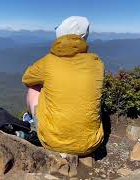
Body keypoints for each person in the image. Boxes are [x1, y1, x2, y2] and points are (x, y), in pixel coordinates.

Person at [22, 16, 104, 156]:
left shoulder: (48, 62)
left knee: (34, 87)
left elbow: (27, 79)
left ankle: (31, 120)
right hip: (91, 144)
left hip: (53, 142)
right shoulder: (97, 63)